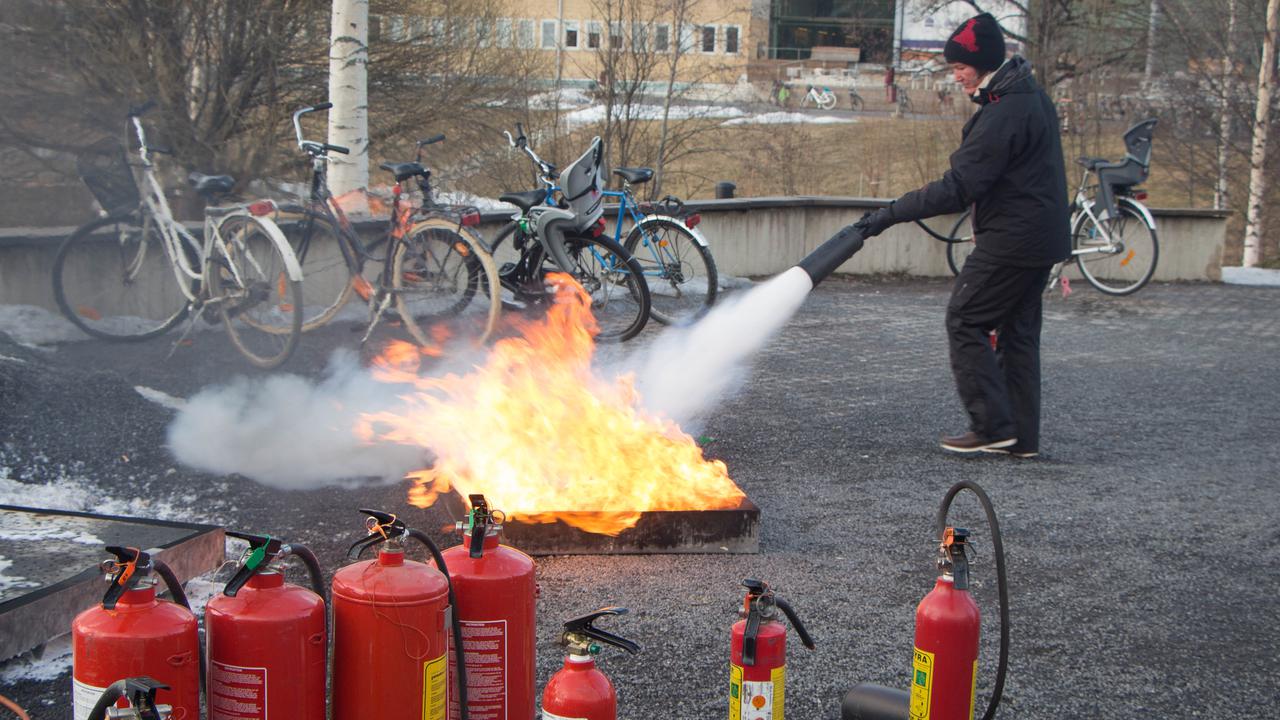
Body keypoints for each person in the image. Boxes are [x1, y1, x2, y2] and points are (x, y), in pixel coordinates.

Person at [848, 13, 1070, 457]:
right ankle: (1020, 439)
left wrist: (891, 213)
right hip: (1042, 238)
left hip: (1013, 240)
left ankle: (991, 426)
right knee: (1018, 334)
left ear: (981, 61)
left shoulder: (1004, 110)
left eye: (958, 67)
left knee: (965, 318)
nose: (956, 76)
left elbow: (959, 186)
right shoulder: (1029, 97)